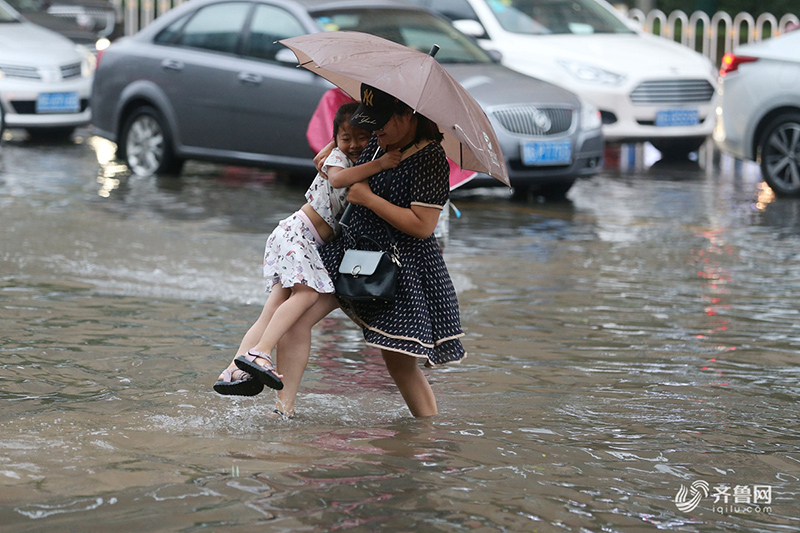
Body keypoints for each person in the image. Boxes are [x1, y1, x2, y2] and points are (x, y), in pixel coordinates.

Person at [272, 84, 467, 418]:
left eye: (382, 123)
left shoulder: (431, 159)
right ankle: (281, 411)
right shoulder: (379, 141)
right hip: (350, 249)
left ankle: (428, 434)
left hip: (398, 268)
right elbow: (346, 160)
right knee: (296, 321)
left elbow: (423, 226)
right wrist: (336, 147)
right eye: (371, 123)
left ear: (408, 116)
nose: (375, 131)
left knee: (399, 361)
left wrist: (369, 199)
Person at [213, 102, 401, 402]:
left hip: (298, 240)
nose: (353, 145)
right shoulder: (338, 160)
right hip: (298, 235)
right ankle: (260, 354)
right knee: (308, 294)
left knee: (273, 311)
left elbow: (331, 160)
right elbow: (337, 178)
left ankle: (233, 371)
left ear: (374, 136)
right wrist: (382, 163)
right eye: (345, 138)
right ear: (335, 139)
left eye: (361, 137)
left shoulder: (348, 158)